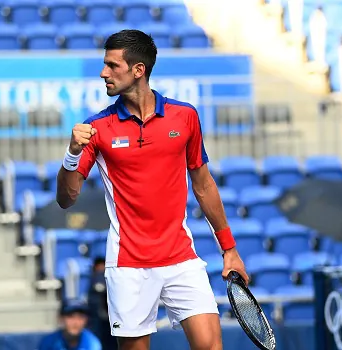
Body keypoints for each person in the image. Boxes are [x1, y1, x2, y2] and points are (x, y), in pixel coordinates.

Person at [56, 29, 248, 350]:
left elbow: (203, 185)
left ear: (138, 70)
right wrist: (72, 152)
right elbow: (66, 198)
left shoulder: (185, 116)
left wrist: (229, 249)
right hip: (129, 264)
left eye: (112, 66)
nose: (104, 73)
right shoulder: (97, 128)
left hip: (181, 258)